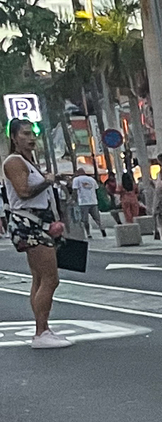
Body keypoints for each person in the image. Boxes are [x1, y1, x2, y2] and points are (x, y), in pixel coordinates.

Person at [4, 121, 68, 349]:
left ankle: (42, 328)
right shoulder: (14, 162)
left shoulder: (29, 162)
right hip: (30, 222)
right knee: (51, 278)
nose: (31, 138)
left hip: (38, 222)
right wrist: (47, 182)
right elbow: (23, 191)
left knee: (39, 278)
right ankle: (41, 331)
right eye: (25, 133)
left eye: (33, 134)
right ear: (14, 137)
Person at [69, 165, 100, 239]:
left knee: (85, 219)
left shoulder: (76, 180)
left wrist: (73, 199)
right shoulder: (92, 179)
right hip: (93, 201)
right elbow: (96, 188)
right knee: (97, 218)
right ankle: (102, 230)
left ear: (78, 173)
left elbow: (75, 191)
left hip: (83, 202)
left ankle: (88, 233)